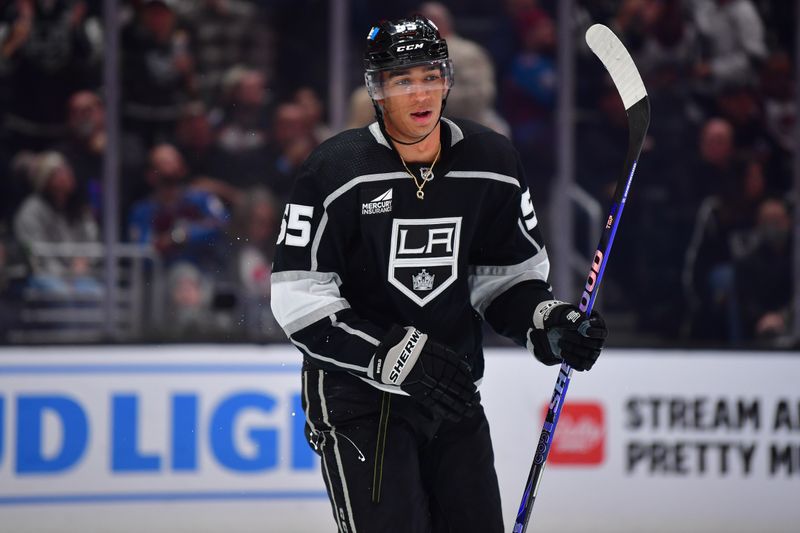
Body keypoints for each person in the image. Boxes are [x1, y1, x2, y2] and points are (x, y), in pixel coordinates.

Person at [269, 15, 607, 532]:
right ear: (377, 90)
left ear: (448, 80)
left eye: (430, 76)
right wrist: (390, 355)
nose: (420, 92)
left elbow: (505, 279)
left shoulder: (492, 162)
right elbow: (301, 302)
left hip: (451, 392)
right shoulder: (335, 171)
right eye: (402, 80)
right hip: (358, 400)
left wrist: (547, 320)